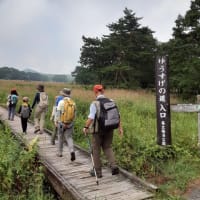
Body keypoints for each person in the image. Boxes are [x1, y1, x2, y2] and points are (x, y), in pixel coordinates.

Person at [83, 84, 123, 178]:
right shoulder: (112, 101)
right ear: (103, 91)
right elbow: (118, 115)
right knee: (107, 147)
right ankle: (114, 166)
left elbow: (91, 117)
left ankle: (98, 172)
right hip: (110, 129)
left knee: (96, 150)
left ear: (95, 92)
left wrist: (85, 127)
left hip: (98, 131)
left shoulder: (95, 103)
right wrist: (120, 128)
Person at [54, 88, 76, 161]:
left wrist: (56, 121)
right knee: (69, 138)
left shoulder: (61, 102)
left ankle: (60, 152)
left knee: (60, 137)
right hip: (70, 123)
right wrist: (71, 123)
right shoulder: (73, 103)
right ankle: (72, 151)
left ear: (63, 94)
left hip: (61, 123)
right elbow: (74, 115)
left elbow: (58, 113)